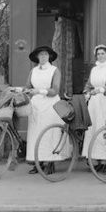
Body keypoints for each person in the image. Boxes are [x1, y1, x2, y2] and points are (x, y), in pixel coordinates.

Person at [24, 46, 66, 175]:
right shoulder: (33, 71)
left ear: (49, 57)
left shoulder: (54, 70)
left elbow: (55, 90)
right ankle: (38, 162)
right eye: (40, 55)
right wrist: (24, 91)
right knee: (35, 133)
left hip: (50, 105)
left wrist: (39, 91)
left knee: (49, 133)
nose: (43, 57)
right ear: (37, 57)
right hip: (36, 105)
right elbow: (28, 86)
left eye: (45, 55)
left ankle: (51, 162)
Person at [81, 45, 106, 174]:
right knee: (93, 129)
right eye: (98, 54)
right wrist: (87, 92)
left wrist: (101, 89)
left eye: (103, 54)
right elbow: (89, 85)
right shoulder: (94, 69)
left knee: (104, 128)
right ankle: (95, 159)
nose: (100, 56)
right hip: (94, 103)